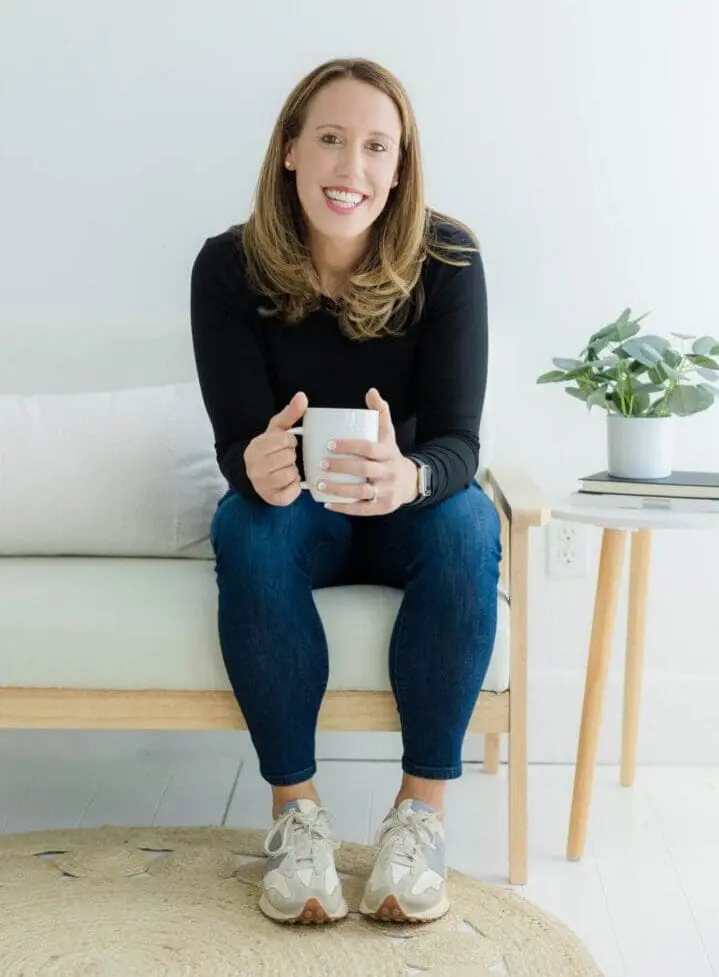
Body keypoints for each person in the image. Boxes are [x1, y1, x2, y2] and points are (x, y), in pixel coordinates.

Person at [190, 57, 501, 926]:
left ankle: (419, 821)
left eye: (375, 146)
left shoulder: (448, 258)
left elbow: (457, 443)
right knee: (246, 524)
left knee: (467, 521)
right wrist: (254, 463)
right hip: (301, 518)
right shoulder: (227, 268)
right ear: (290, 150)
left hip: (405, 511)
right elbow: (234, 445)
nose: (349, 167)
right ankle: (297, 820)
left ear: (399, 168)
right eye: (329, 138)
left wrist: (411, 476)